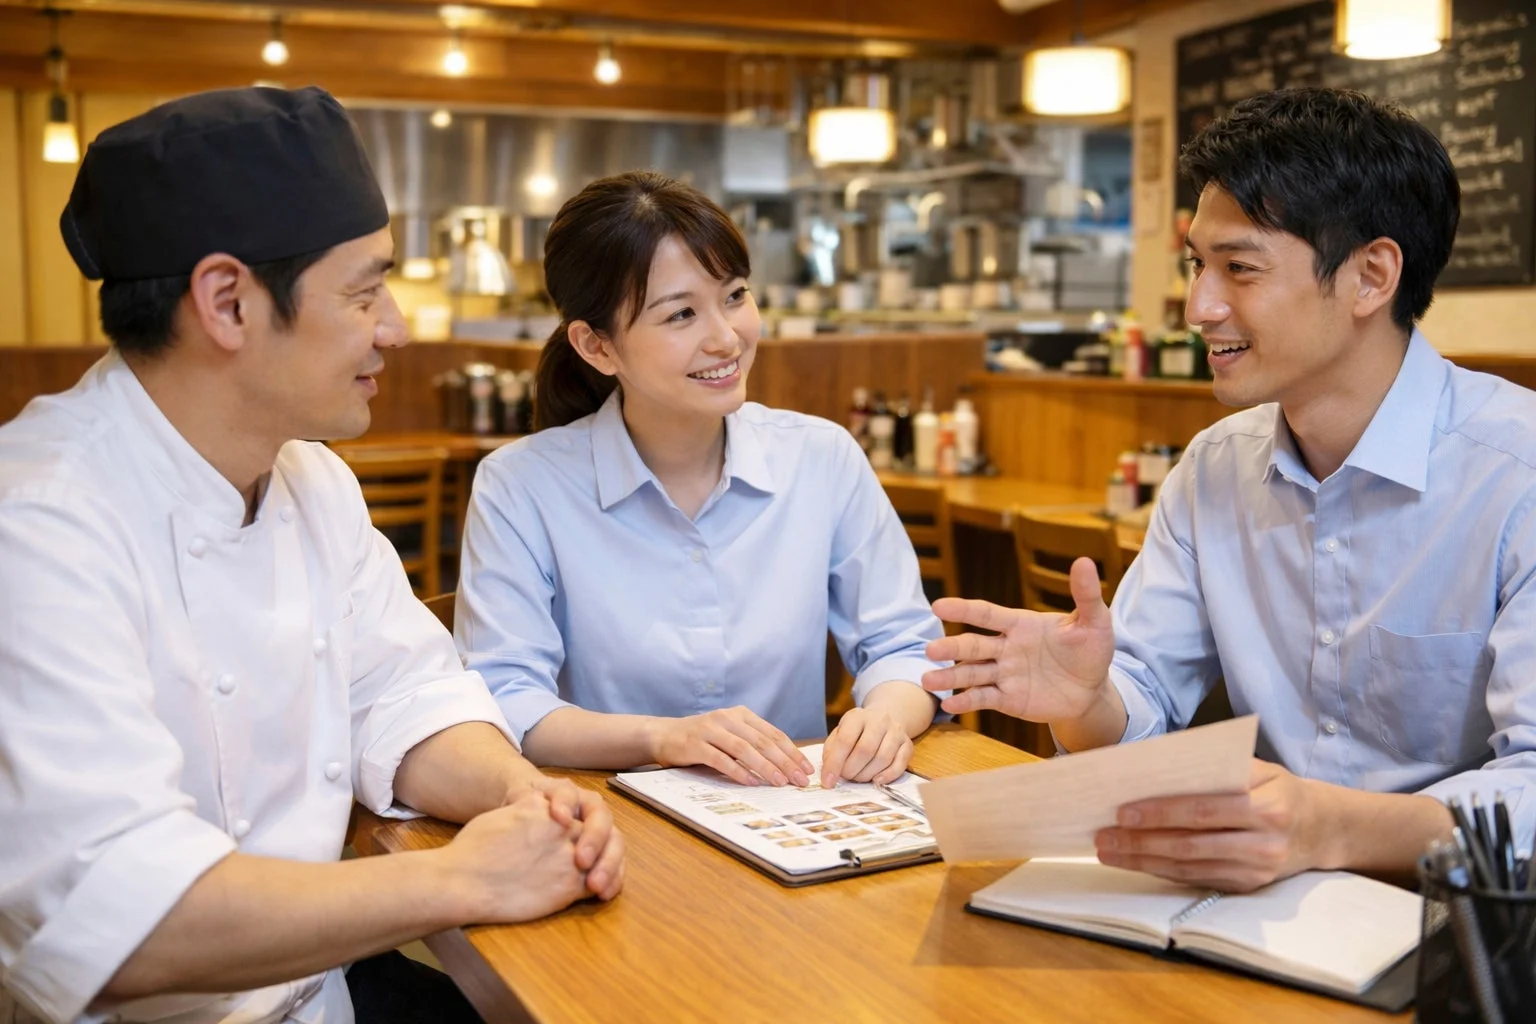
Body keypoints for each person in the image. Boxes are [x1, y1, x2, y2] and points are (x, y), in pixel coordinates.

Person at [0, 87, 623, 1024]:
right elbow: (124, 920)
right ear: (227, 303)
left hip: (324, 991)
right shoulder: (37, 522)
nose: (397, 328)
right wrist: (465, 879)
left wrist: (525, 798)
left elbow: (406, 700)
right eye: (365, 291)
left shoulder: (310, 480)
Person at [924, 87, 1536, 893]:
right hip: (1263, 903)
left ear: (1370, 276)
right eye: (1196, 265)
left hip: (1465, 921)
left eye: (1239, 268)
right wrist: (1086, 698)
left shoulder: (1515, 470)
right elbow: (1141, 702)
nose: (1197, 307)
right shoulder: (1216, 466)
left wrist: (1326, 828)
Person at [455, 171, 943, 790]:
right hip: (613, 826)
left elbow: (902, 644)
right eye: (681, 313)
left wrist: (884, 719)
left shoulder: (821, 457)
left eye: (735, 295)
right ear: (597, 346)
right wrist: (665, 738)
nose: (726, 338)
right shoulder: (521, 486)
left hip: (793, 815)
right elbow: (508, 701)